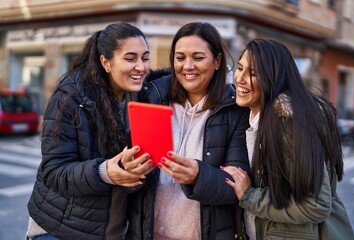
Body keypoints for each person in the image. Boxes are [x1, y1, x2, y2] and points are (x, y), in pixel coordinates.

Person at [26, 22, 155, 240]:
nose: (141, 67)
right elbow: (54, 172)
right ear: (105, 62)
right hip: (59, 231)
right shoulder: (70, 99)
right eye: (130, 58)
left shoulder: (140, 95)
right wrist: (106, 172)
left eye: (145, 58)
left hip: (110, 232)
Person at [125, 22, 250, 240]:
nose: (188, 66)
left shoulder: (235, 110)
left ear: (217, 61)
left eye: (198, 58)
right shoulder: (151, 97)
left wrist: (198, 175)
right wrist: (128, 169)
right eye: (180, 58)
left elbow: (236, 187)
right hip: (146, 233)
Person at [223, 39, 354, 240]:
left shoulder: (290, 124)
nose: (239, 78)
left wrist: (249, 196)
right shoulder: (256, 118)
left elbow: (315, 206)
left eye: (252, 73)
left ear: (273, 78)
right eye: (240, 68)